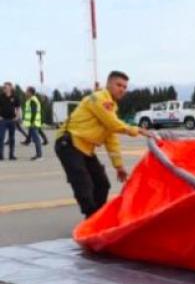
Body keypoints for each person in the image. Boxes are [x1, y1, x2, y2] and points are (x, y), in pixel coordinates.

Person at [54, 71, 152, 217]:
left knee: (102, 184)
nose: (122, 90)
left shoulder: (111, 108)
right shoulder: (99, 98)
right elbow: (114, 125)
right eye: (119, 85)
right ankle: (92, 218)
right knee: (83, 184)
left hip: (85, 148)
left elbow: (111, 138)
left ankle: (96, 217)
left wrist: (119, 166)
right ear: (109, 84)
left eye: (125, 87)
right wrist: (136, 130)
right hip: (69, 143)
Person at [22, 87, 45, 160]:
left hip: (33, 123)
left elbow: (34, 112)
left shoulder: (32, 100)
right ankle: (38, 155)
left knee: (36, 139)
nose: (25, 92)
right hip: (33, 123)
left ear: (30, 92)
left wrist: (32, 122)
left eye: (26, 91)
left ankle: (39, 156)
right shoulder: (31, 100)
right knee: (36, 139)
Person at [0, 82, 20, 160]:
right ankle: (1, 155)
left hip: (12, 120)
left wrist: (17, 117)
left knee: (12, 138)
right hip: (3, 120)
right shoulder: (1, 96)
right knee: (1, 138)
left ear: (10, 88)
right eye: (4, 87)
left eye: (6, 87)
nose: (5, 89)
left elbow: (18, 108)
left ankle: (11, 155)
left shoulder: (15, 97)